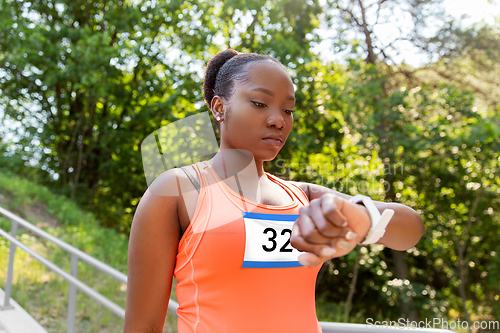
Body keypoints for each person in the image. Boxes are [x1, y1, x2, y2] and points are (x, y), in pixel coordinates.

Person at [123, 49, 425, 333]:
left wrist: (363, 219)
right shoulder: (179, 190)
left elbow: (410, 229)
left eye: (288, 109)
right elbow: (143, 327)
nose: (278, 120)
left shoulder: (303, 196)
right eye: (259, 103)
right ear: (219, 107)